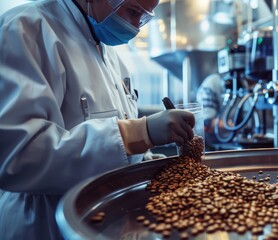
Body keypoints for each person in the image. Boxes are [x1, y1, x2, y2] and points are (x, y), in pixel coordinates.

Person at [0, 0, 196, 239]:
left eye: (144, 18)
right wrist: (137, 134)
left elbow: (118, 152)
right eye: (133, 12)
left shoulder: (111, 56)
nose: (136, 27)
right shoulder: (25, 28)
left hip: (102, 219)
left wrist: (151, 165)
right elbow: (17, 157)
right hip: (44, 225)